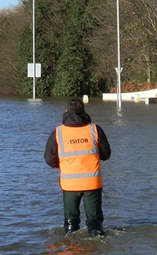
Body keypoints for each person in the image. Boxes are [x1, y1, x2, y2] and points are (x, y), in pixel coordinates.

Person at [44, 98, 111, 236]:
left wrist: (63, 165)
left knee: (71, 221)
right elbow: (106, 155)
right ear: (84, 112)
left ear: (66, 112)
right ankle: (98, 247)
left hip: (70, 184)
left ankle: (71, 249)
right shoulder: (95, 130)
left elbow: (49, 158)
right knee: (94, 221)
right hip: (92, 183)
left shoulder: (58, 132)